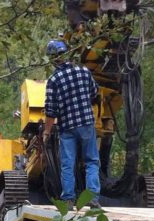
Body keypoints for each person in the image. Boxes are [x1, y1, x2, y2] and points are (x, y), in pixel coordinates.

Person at [43, 39, 101, 210]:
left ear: (52, 59)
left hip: (67, 127)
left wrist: (46, 132)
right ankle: (92, 198)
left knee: (67, 163)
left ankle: (69, 199)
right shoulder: (83, 71)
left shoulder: (53, 80)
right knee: (91, 161)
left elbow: (51, 111)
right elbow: (94, 92)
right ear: (66, 54)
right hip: (86, 124)